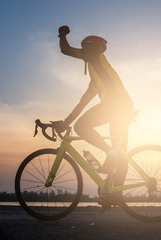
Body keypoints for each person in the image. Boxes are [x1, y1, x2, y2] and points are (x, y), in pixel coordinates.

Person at [57, 26, 135, 205]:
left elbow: (65, 50)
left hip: (115, 105)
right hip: (122, 107)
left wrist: (62, 34)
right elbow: (82, 104)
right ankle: (114, 195)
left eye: (84, 47)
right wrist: (65, 121)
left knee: (82, 127)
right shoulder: (96, 78)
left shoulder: (94, 56)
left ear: (90, 48)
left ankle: (110, 153)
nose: (83, 51)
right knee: (120, 152)